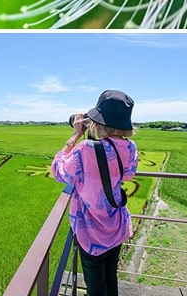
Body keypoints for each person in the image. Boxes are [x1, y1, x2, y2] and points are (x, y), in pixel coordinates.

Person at [51, 90, 139, 296]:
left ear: (98, 121)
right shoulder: (131, 147)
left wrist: (75, 135)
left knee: (95, 285)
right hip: (116, 225)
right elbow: (127, 175)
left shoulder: (85, 149)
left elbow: (57, 170)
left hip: (91, 231)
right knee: (110, 277)